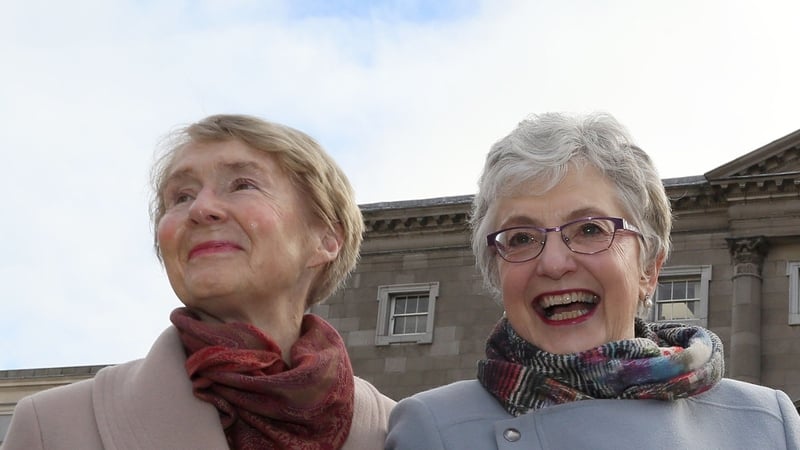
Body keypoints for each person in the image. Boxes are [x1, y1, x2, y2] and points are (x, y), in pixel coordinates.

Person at [386, 112, 800, 449]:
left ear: (649, 269)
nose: (553, 263)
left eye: (589, 229)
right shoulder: (432, 428)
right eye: (522, 238)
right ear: (497, 272)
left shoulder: (769, 423)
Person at [3, 114, 395, 450]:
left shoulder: (401, 432)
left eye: (243, 184)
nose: (201, 209)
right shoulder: (50, 426)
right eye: (181, 197)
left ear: (326, 239)